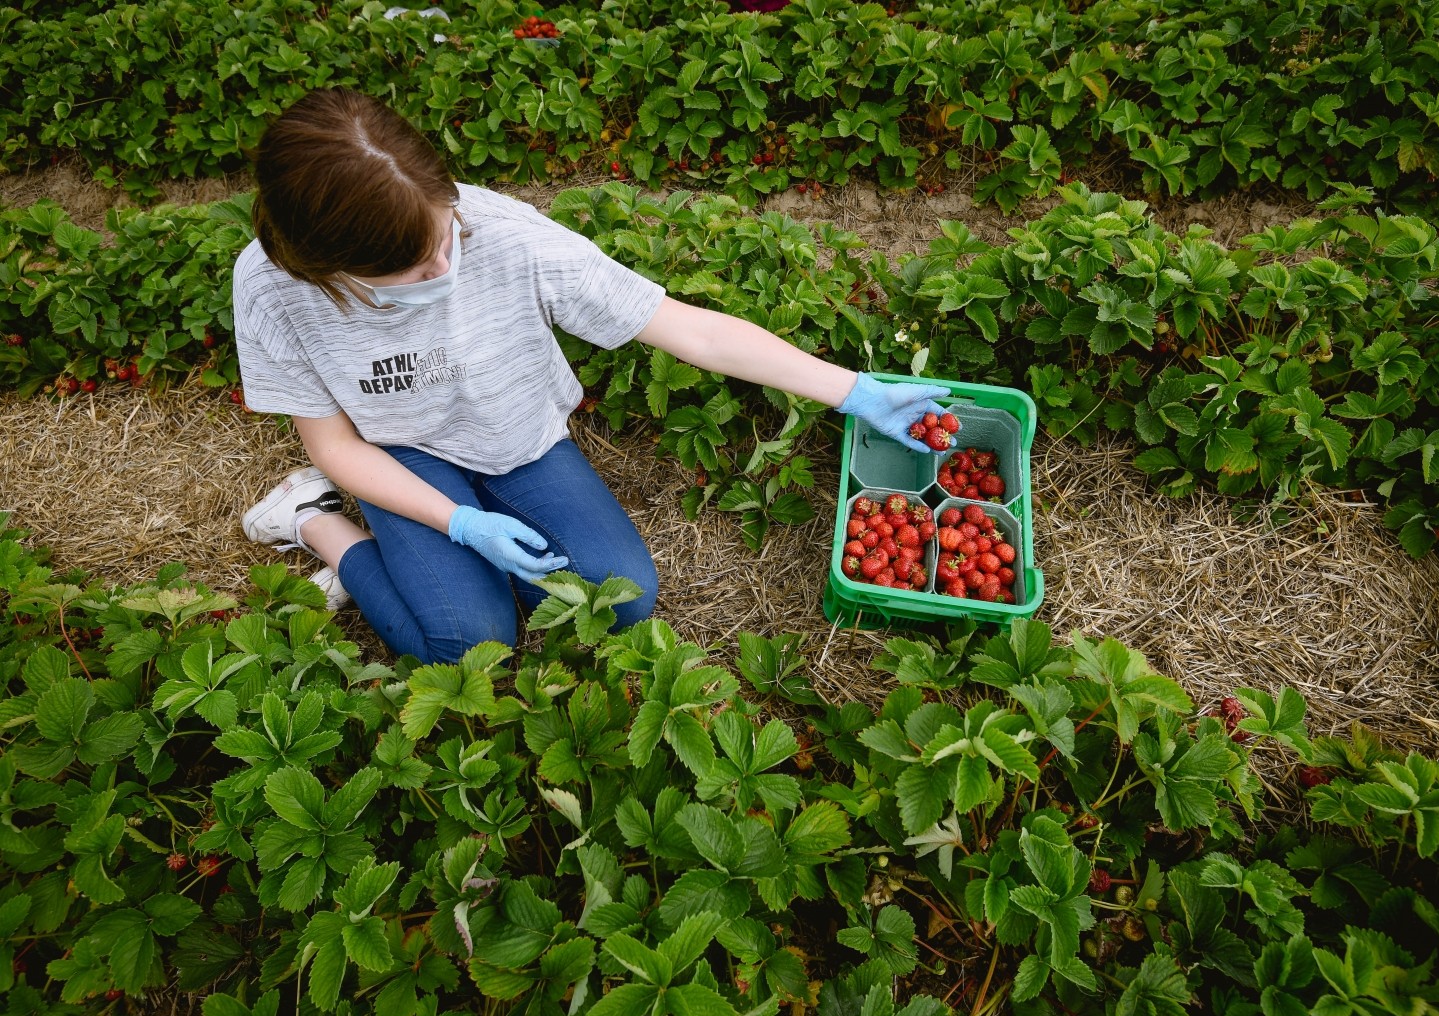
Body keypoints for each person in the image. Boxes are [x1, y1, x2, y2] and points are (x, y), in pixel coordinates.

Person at [235, 88, 945, 664]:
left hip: (522, 440)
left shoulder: (508, 236)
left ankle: (430, 556)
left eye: (445, 237)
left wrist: (851, 389)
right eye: (416, 271)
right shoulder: (273, 287)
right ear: (326, 264)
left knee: (621, 601)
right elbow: (335, 447)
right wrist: (456, 523)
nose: (445, 270)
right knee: (466, 644)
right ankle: (317, 524)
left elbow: (689, 328)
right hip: (399, 454)